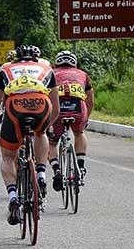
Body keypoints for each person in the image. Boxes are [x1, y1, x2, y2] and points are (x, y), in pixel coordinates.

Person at [0, 45, 59, 226]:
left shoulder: (6, 69)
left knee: (9, 156)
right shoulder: (46, 68)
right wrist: (46, 126)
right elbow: (56, 108)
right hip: (42, 104)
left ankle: (12, 197)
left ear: (15, 58)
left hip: (14, 106)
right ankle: (41, 174)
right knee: (40, 133)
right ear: (36, 58)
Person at [49, 51, 94, 190]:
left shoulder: (50, 73)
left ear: (56, 63)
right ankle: (80, 166)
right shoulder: (83, 74)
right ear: (75, 63)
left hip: (57, 111)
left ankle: (56, 169)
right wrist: (86, 118)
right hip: (78, 110)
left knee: (51, 142)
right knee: (79, 133)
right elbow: (90, 100)